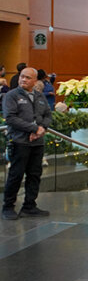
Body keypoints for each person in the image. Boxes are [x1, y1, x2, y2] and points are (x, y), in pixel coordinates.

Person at [2, 67, 52, 220]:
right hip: (19, 142)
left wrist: (41, 129)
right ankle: (8, 207)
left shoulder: (40, 96)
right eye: (22, 76)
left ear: (35, 80)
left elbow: (48, 115)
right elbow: (10, 118)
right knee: (15, 175)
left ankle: (29, 206)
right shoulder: (11, 96)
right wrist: (34, 128)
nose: (23, 79)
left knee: (34, 175)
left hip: (37, 143)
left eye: (28, 77)